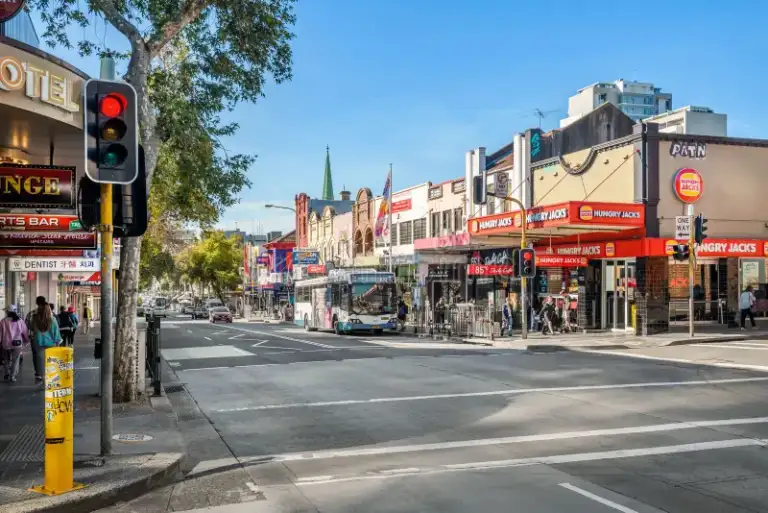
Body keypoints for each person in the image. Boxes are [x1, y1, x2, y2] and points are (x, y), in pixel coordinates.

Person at [30, 299, 61, 383]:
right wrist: (58, 342)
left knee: (40, 361)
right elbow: (56, 333)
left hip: (38, 342)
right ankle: (50, 379)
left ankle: (43, 379)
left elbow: (32, 329)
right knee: (50, 361)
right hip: (51, 343)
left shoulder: (34, 318)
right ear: (48, 309)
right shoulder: (52, 319)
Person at [1, 305, 29, 382]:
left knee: (6, 359)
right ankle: (12, 376)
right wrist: (26, 340)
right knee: (15, 360)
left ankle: (6, 373)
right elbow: (25, 331)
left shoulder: (3, 321)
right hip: (17, 344)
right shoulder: (20, 321)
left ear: (7, 312)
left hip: (6, 343)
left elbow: (0, 333)